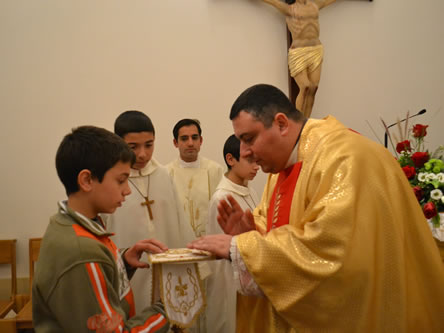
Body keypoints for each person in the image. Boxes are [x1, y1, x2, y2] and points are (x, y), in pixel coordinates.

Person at [189, 84, 444, 332]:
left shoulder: (345, 158)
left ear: (281, 124)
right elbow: (281, 227)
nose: (246, 151)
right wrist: (251, 232)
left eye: (249, 138)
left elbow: (335, 252)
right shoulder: (281, 169)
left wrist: (243, 249)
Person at [32, 125, 170, 332]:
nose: (127, 191)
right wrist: (166, 310)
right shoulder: (81, 252)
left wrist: (123, 262)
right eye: (121, 180)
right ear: (87, 180)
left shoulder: (70, 222)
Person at [102, 111, 196, 314]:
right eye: (133, 147)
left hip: (168, 275)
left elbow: (180, 222)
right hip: (130, 275)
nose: (143, 154)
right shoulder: (110, 180)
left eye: (149, 144)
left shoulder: (163, 175)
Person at [205, 134, 259, 333]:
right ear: (231, 159)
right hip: (229, 277)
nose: (257, 166)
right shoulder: (222, 197)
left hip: (249, 269)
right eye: (250, 160)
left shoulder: (249, 190)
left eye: (257, 159)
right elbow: (226, 248)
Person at [262, 0, 338, 118]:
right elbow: (271, 1)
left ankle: (306, 121)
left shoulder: (315, 5)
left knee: (313, 88)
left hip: (316, 50)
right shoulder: (289, 9)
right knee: (305, 86)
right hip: (299, 52)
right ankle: (298, 120)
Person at [166, 119, 224, 237]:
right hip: (178, 242)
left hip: (209, 241)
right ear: (175, 143)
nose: (190, 143)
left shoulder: (215, 170)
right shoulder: (166, 173)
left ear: (201, 140)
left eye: (194, 137)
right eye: (184, 138)